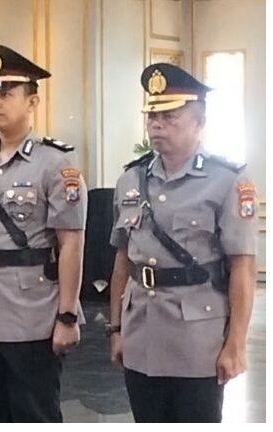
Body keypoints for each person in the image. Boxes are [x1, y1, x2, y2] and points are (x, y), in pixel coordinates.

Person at [107, 63, 257, 423]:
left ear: (199, 122)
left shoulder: (226, 180)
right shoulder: (131, 179)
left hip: (198, 340)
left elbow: (242, 267)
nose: (157, 125)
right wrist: (115, 329)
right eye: (152, 116)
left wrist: (235, 344)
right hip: (141, 334)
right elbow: (123, 262)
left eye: (170, 116)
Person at [0, 45, 87, 422]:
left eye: (6, 93)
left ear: (32, 102)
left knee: (34, 415)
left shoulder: (55, 163)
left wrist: (67, 316)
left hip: (33, 314)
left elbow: (71, 242)